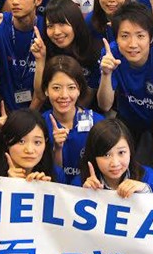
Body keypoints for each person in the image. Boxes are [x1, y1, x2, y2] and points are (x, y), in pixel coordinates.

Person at [98, 3, 153, 167]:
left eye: (140, 36)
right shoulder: (111, 55)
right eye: (125, 36)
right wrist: (106, 74)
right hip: (126, 119)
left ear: (151, 38)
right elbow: (105, 105)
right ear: (116, 38)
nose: (132, 44)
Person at [40, 55, 105, 184]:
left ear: (79, 89)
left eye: (71, 87)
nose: (64, 95)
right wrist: (57, 149)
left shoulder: (98, 123)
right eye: (56, 88)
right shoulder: (39, 125)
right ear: (46, 90)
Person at [35, 0, 101, 104]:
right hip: (55, 108)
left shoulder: (94, 50)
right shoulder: (46, 48)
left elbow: (88, 98)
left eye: (62, 24)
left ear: (76, 23)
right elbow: (41, 96)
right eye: (50, 26)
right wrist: (40, 60)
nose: (56, 32)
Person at [76, 118, 153, 194]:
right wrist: (83, 195)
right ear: (94, 155)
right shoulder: (80, 184)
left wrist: (145, 192)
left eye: (121, 152)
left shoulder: (150, 179)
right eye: (106, 155)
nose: (115, 163)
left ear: (130, 151)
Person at [0, 108, 64, 183]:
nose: (29, 150)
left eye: (37, 142)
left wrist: (46, 189)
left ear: (45, 142)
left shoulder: (57, 174)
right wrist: (7, 184)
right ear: (7, 141)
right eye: (21, 141)